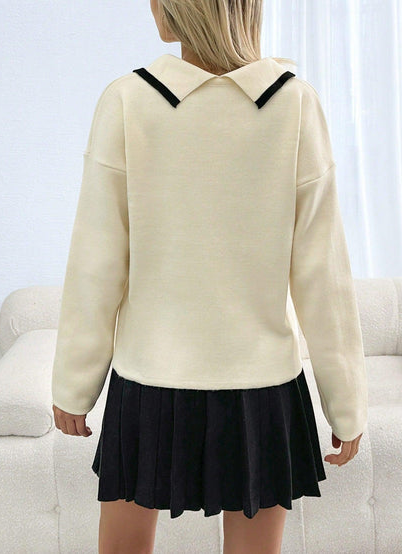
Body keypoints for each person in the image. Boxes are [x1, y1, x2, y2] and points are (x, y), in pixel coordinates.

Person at [51, 0, 368, 552]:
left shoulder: (127, 100)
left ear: (176, 11)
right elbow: (323, 274)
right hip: (262, 388)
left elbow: (97, 264)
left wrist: (73, 385)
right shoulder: (294, 103)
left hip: (149, 380)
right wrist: (346, 403)